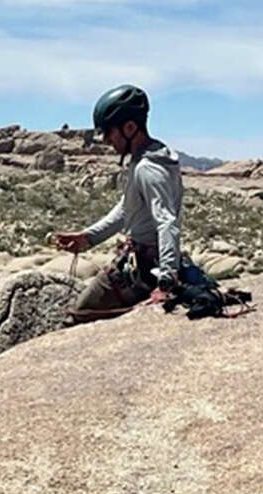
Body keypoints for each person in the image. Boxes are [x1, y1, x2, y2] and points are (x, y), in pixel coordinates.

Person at [51, 84, 184, 321]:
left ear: (130, 127)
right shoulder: (146, 159)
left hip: (144, 268)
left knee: (77, 316)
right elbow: (126, 209)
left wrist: (167, 279)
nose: (107, 140)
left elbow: (166, 222)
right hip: (143, 261)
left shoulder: (148, 168)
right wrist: (88, 238)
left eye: (110, 132)